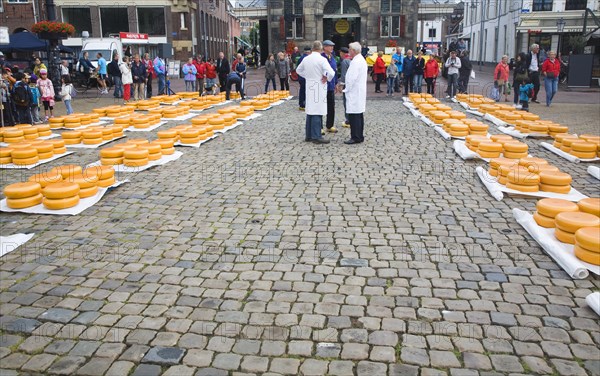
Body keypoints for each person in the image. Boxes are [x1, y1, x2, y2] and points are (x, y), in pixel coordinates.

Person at [295, 41, 335, 144]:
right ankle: (316, 136)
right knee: (317, 110)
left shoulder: (306, 59)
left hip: (310, 85)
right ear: (321, 48)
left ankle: (309, 135)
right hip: (319, 85)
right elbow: (331, 72)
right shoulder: (322, 60)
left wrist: (307, 76)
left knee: (310, 110)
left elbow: (298, 70)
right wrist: (327, 77)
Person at [343, 42, 368, 145]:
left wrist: (346, 88)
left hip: (354, 91)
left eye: (349, 49)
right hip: (358, 91)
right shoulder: (360, 60)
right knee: (359, 115)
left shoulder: (356, 62)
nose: (349, 51)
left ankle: (355, 136)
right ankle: (359, 136)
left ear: (353, 50)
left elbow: (351, 78)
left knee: (354, 116)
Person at [322, 40, 338, 133]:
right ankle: (319, 127)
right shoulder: (321, 58)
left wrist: (335, 83)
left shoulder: (332, 58)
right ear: (324, 47)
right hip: (323, 86)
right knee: (321, 107)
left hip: (331, 86)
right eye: (329, 46)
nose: (331, 48)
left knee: (331, 106)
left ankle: (329, 125)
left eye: (332, 46)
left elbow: (335, 72)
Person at [337, 47, 352, 127]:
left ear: (342, 53)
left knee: (346, 103)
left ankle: (348, 120)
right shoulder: (352, 60)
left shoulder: (344, 61)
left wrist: (340, 85)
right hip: (353, 85)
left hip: (347, 85)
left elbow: (344, 75)